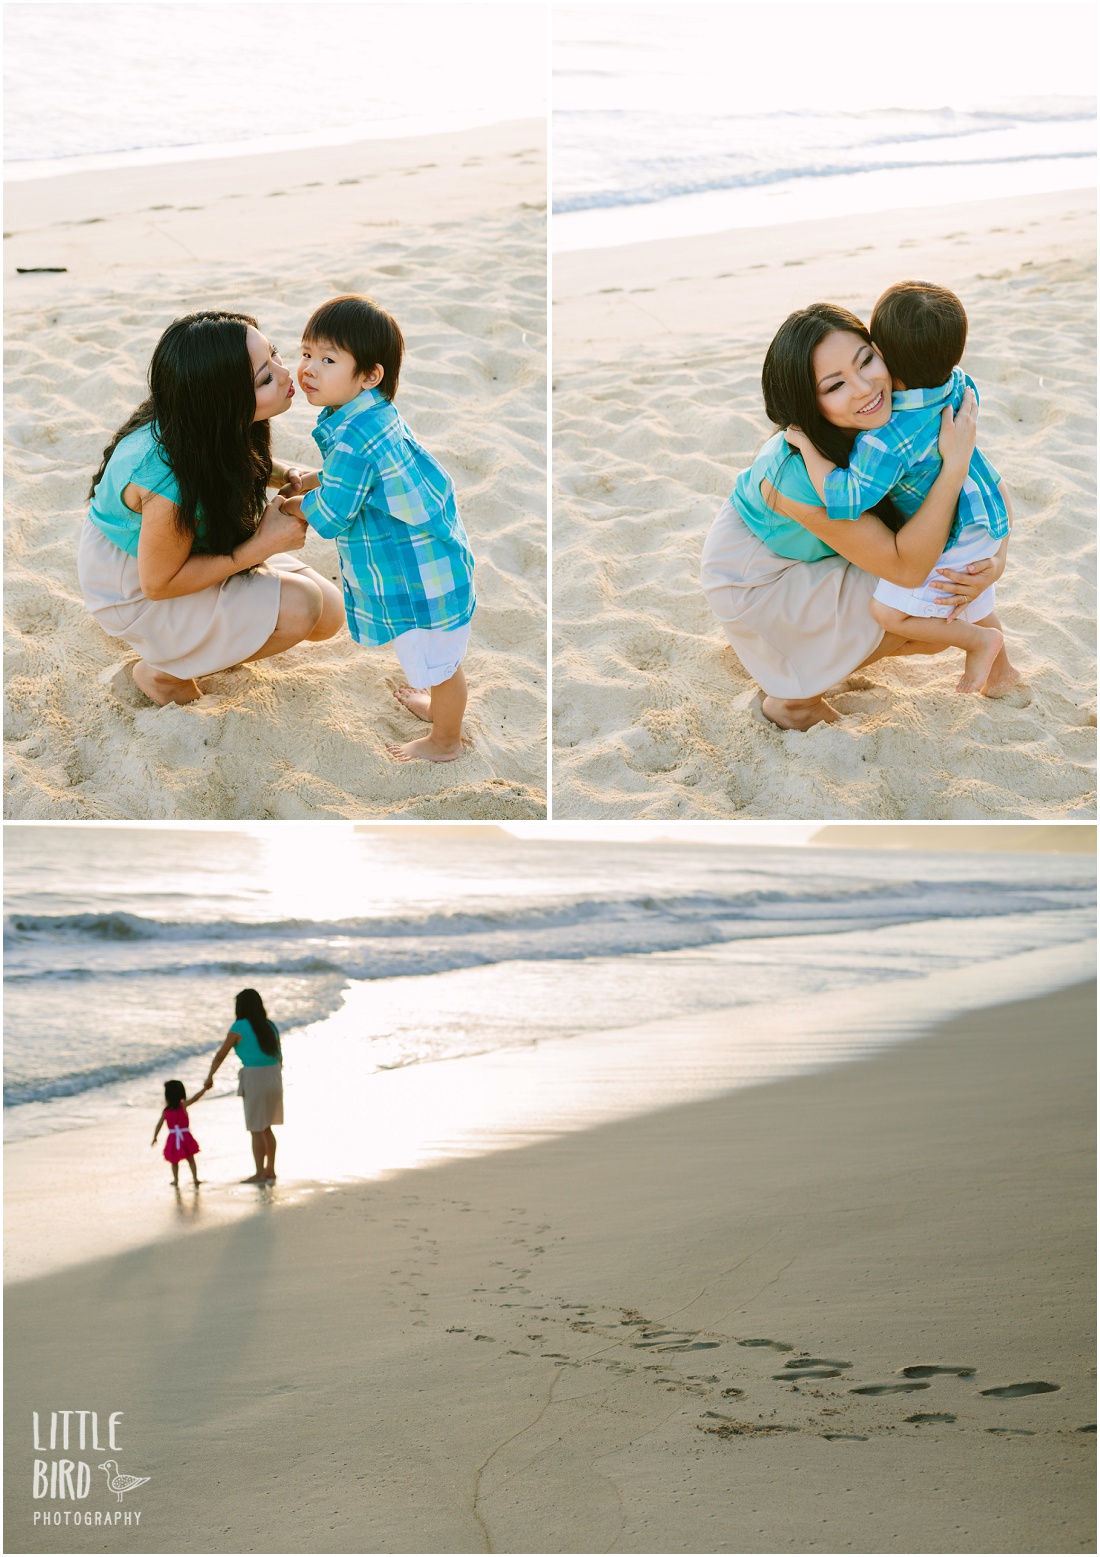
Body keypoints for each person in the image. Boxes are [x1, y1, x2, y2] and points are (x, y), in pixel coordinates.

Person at [701, 302, 1002, 730]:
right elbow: (910, 568)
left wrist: (997, 562)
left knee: (946, 587)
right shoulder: (796, 472)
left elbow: (991, 488)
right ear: (807, 402)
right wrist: (954, 466)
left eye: (866, 360)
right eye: (835, 385)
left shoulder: (903, 411)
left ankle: (1002, 673)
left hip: (811, 554)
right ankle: (795, 699)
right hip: (757, 578)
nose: (864, 388)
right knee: (931, 597)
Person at [79, 309, 344, 706]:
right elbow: (159, 583)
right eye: (265, 378)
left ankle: (210, 640)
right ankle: (163, 674)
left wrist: (287, 473)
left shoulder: (203, 418)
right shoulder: (167, 476)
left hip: (181, 547)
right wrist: (261, 546)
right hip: (138, 581)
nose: (287, 374)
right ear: (223, 401)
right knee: (302, 607)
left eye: (275, 355)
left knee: (329, 616)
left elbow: (226, 454)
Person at [786, 281, 1017, 696]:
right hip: (988, 504)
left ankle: (977, 642)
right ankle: (1003, 676)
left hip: (957, 527)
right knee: (976, 598)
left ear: (885, 356)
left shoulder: (887, 438)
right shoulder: (960, 382)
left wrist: (806, 446)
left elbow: (846, 497)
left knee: (888, 612)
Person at [285, 294, 476, 762]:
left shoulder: (354, 438)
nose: (308, 368)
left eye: (328, 359)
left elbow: (331, 516)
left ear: (370, 375)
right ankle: (436, 708)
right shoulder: (370, 415)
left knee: (441, 667)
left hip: (418, 583)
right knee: (434, 662)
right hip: (431, 562)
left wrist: (297, 505)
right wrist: (314, 477)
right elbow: (360, 477)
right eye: (306, 353)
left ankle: (445, 741)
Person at [205, 988, 283, 1184]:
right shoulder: (269, 1025)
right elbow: (279, 1056)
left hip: (255, 1076)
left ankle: (259, 1173)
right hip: (274, 1075)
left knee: (256, 1128)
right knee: (267, 1127)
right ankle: (270, 1170)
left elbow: (221, 1055)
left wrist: (210, 1077)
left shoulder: (239, 1027)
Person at [151, 1078, 209, 1187]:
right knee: (191, 1159)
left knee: (174, 1161)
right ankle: (195, 1178)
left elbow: (159, 1125)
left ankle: (176, 1180)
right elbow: (196, 1098)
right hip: (185, 1137)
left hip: (173, 1138)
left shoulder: (166, 1111)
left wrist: (155, 1137)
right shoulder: (183, 1106)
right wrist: (205, 1089)